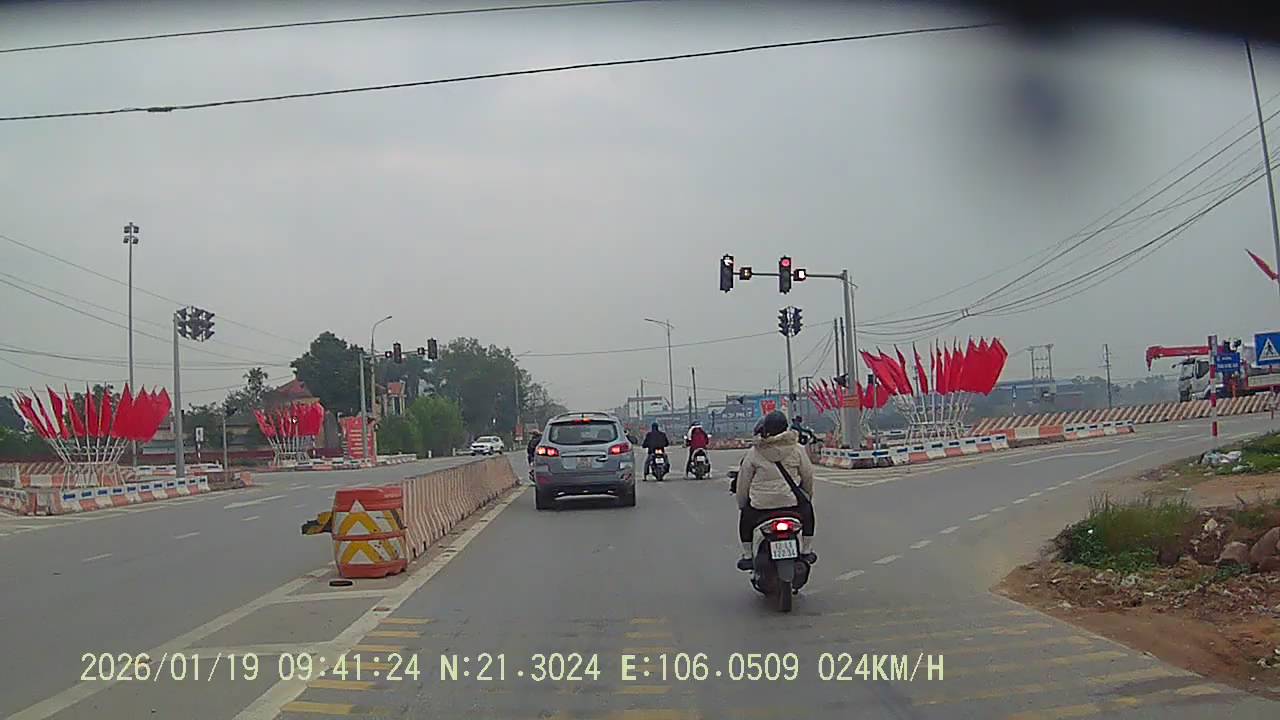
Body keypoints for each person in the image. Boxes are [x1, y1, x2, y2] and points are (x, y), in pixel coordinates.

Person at [734, 410, 816, 570]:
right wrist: (806, 497)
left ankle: (748, 555)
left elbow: (743, 483)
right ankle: (806, 550)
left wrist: (742, 504)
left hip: (760, 507)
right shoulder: (797, 449)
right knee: (808, 513)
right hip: (792, 504)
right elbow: (807, 476)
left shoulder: (754, 452)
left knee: (745, 519)